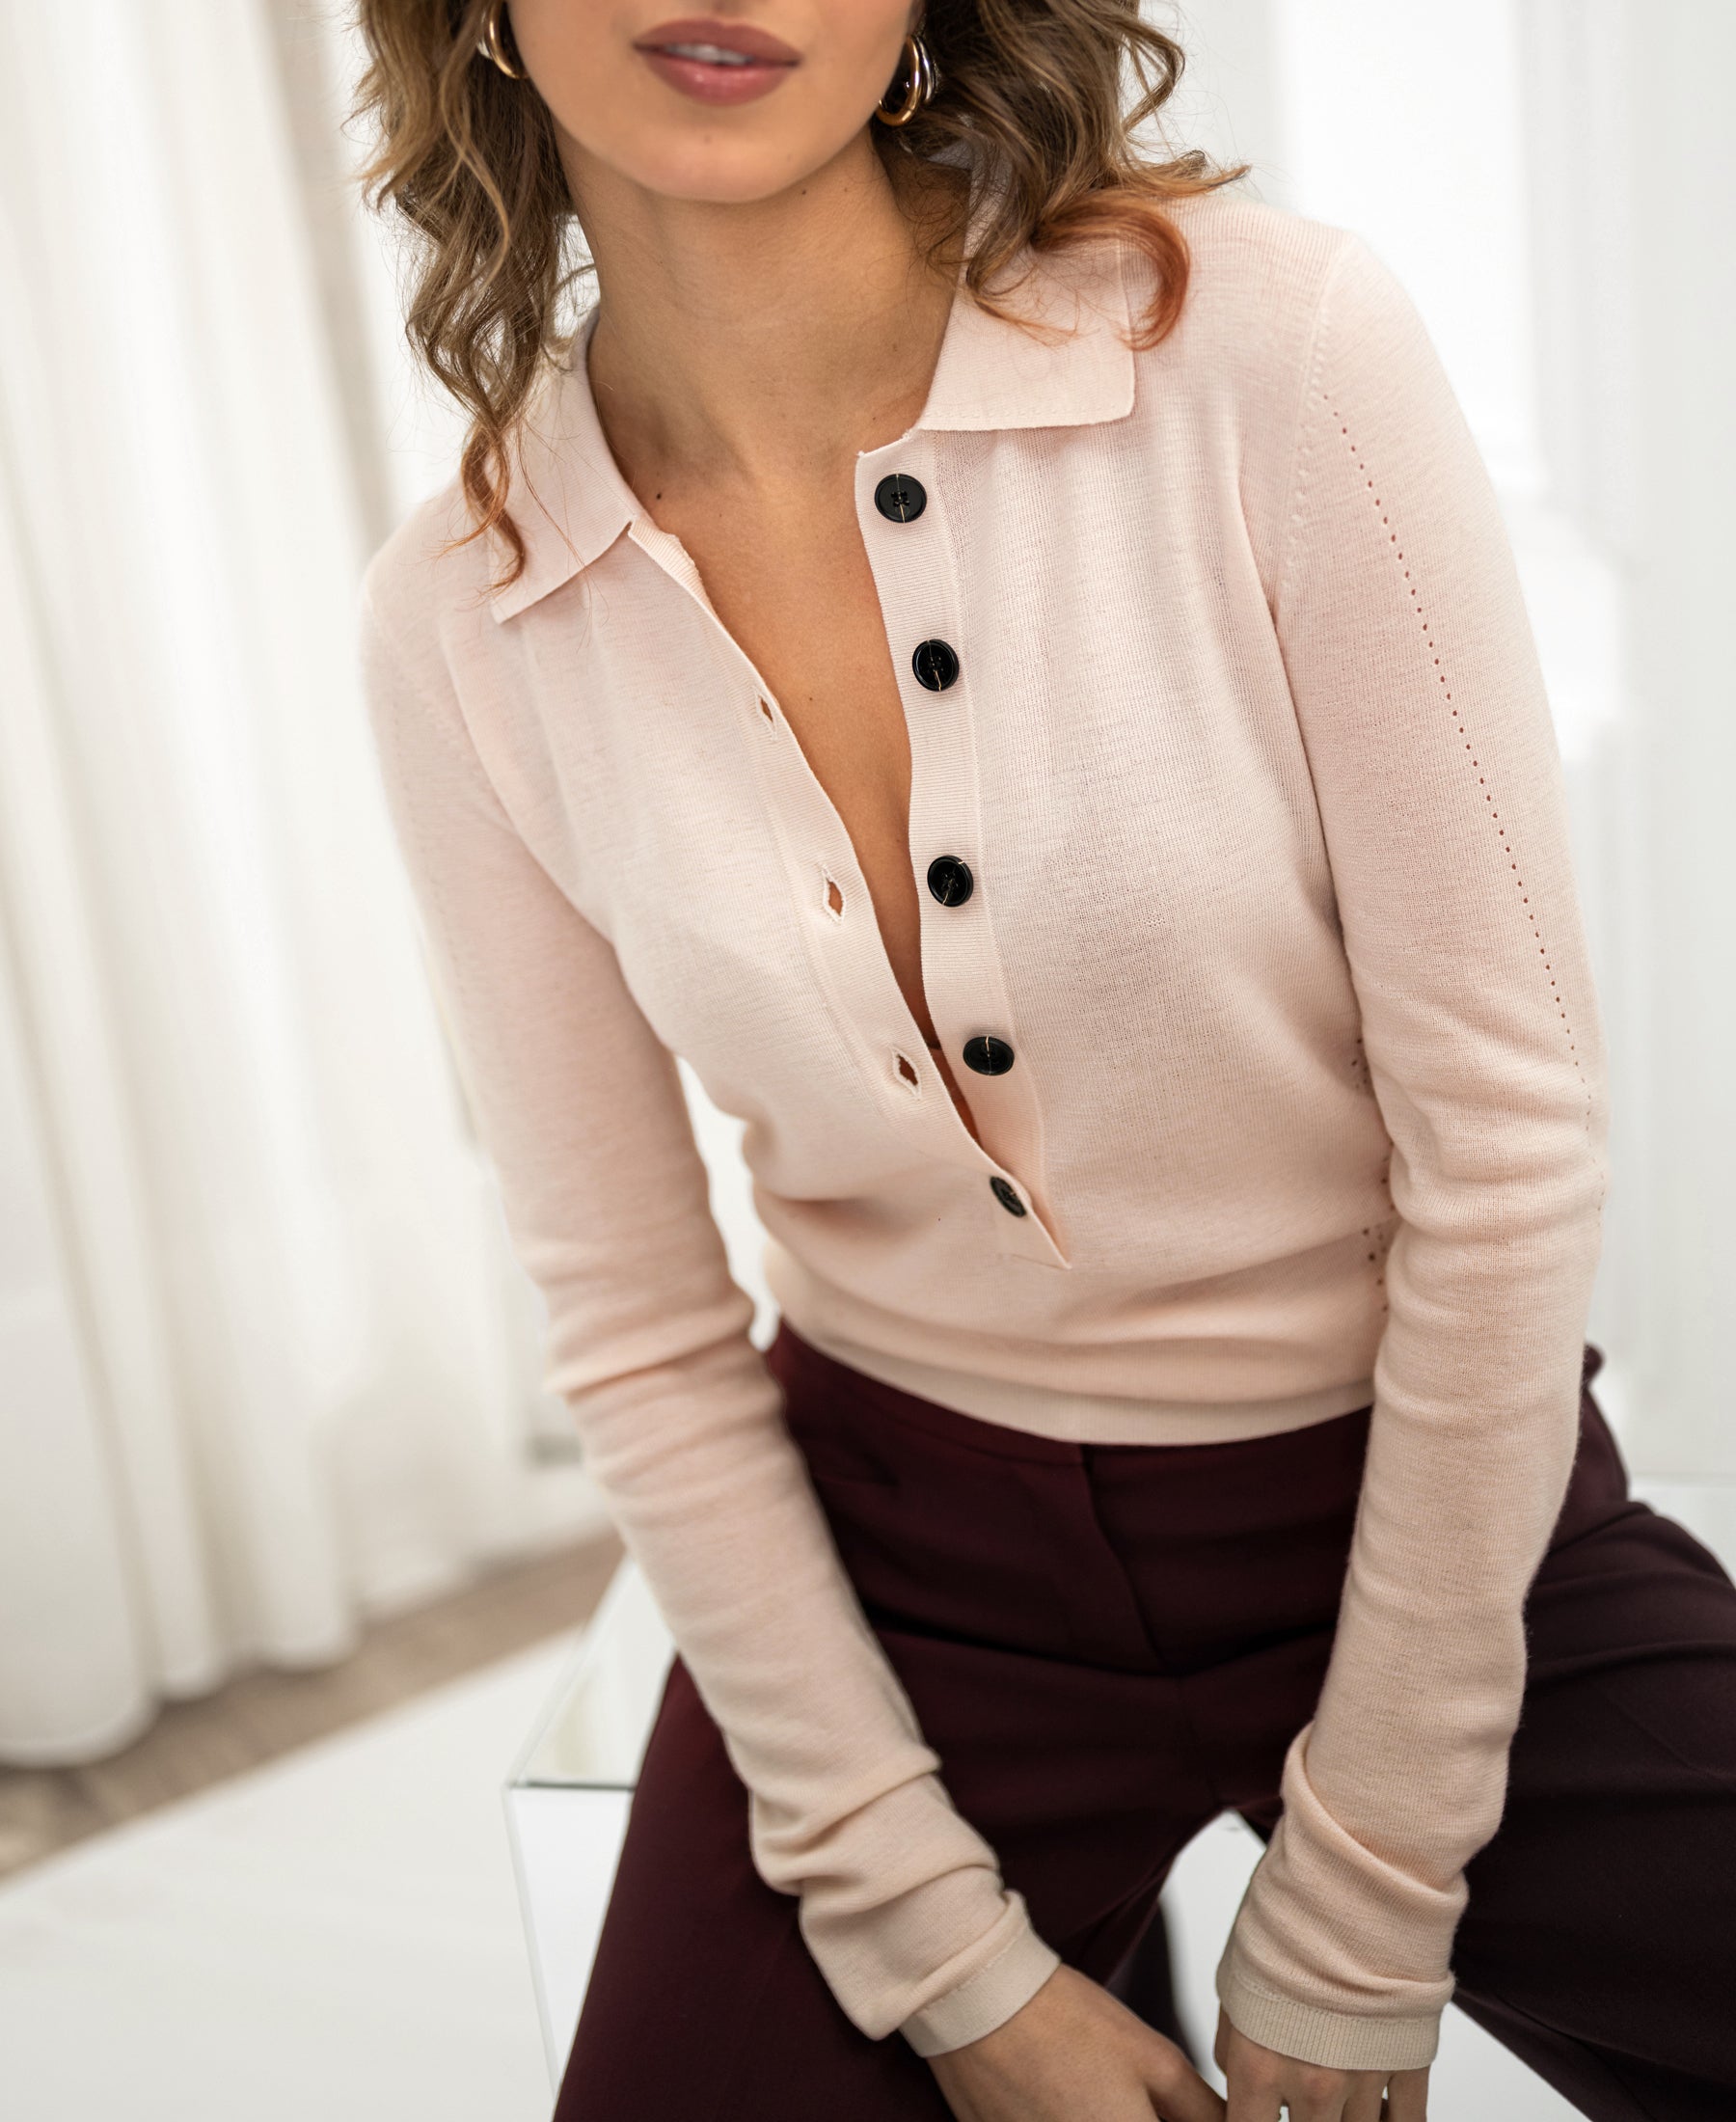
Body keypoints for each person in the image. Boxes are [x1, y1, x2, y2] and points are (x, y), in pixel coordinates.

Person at [351, 5, 1736, 2118]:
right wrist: (947, 1956)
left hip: (1422, 1490)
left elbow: (1510, 1137)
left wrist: (1369, 1890)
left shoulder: (1271, 356)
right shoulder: (464, 605)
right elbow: (637, 1324)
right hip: (906, 1564)